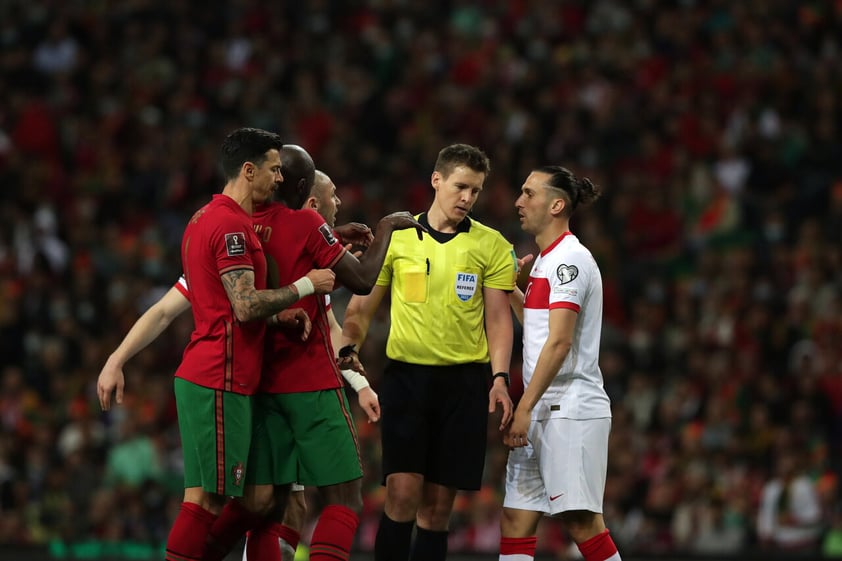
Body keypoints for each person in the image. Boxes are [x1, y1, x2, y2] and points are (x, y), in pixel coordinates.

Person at [97, 149, 387, 561]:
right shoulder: (265, 238)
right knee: (262, 502)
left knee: (263, 505)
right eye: (331, 197)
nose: (337, 204)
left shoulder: (244, 234)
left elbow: (168, 308)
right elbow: (336, 289)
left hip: (255, 391)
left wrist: (116, 358)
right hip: (281, 384)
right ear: (310, 201)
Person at [163, 127, 335, 561]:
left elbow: (227, 303)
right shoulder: (231, 226)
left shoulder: (206, 217)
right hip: (220, 374)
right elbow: (242, 305)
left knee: (244, 501)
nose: (280, 179)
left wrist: (278, 313)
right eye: (275, 169)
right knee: (206, 502)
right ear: (248, 169)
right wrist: (303, 287)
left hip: (217, 373)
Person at [340, 143, 517, 561]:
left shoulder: (491, 245)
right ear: (436, 180)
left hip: (465, 384)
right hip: (407, 379)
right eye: (460, 187)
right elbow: (361, 308)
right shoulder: (398, 237)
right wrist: (349, 355)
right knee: (401, 493)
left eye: (475, 190)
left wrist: (500, 378)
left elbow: (497, 319)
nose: (467, 198)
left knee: (438, 509)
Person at [500, 166, 621, 561]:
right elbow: (538, 327)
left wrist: (523, 406)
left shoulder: (570, 261)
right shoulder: (543, 262)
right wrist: (511, 289)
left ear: (556, 205)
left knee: (583, 523)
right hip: (542, 408)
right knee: (516, 519)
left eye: (528, 193)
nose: (519, 202)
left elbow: (559, 342)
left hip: (569, 408)